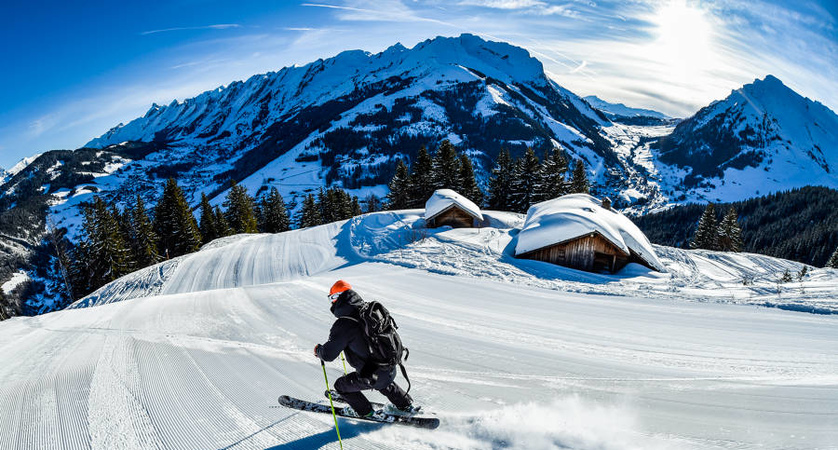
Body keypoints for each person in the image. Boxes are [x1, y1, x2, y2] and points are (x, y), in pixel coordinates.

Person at [314, 280, 415, 419]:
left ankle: (364, 411)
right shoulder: (368, 311)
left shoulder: (344, 323)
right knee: (382, 380)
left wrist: (319, 350)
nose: (331, 303)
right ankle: (406, 405)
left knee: (341, 386)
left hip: (374, 374)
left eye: (331, 298)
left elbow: (328, 355)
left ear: (338, 297)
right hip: (389, 365)